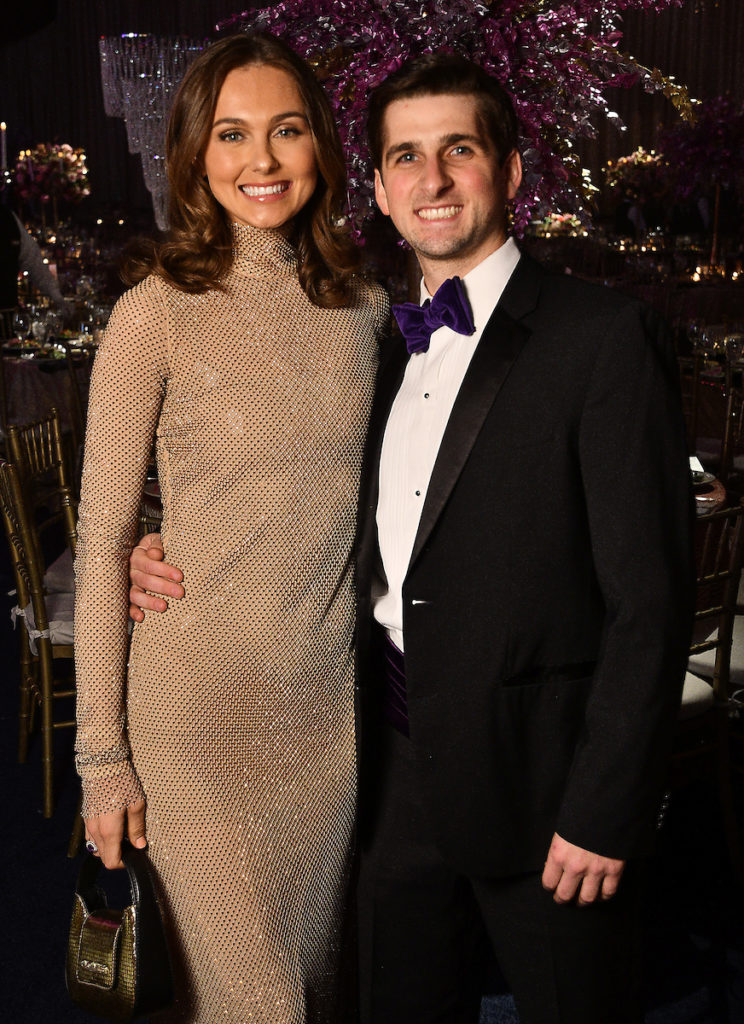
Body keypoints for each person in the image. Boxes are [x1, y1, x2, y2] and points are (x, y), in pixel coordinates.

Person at [129, 53, 694, 1024]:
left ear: (511, 170)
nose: (432, 179)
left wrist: (605, 808)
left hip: (542, 794)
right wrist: (150, 540)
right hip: (381, 778)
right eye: (406, 157)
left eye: (459, 150)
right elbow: (289, 483)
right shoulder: (373, 342)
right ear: (381, 189)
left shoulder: (604, 339)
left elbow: (651, 604)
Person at [74, 32, 387, 1024]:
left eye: (285, 130)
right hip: (194, 716)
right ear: (195, 158)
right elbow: (99, 541)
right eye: (232, 135)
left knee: (314, 988)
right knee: (260, 1003)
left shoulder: (370, 311)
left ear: (324, 148)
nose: (261, 160)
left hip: (323, 720)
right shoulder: (154, 312)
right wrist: (100, 758)